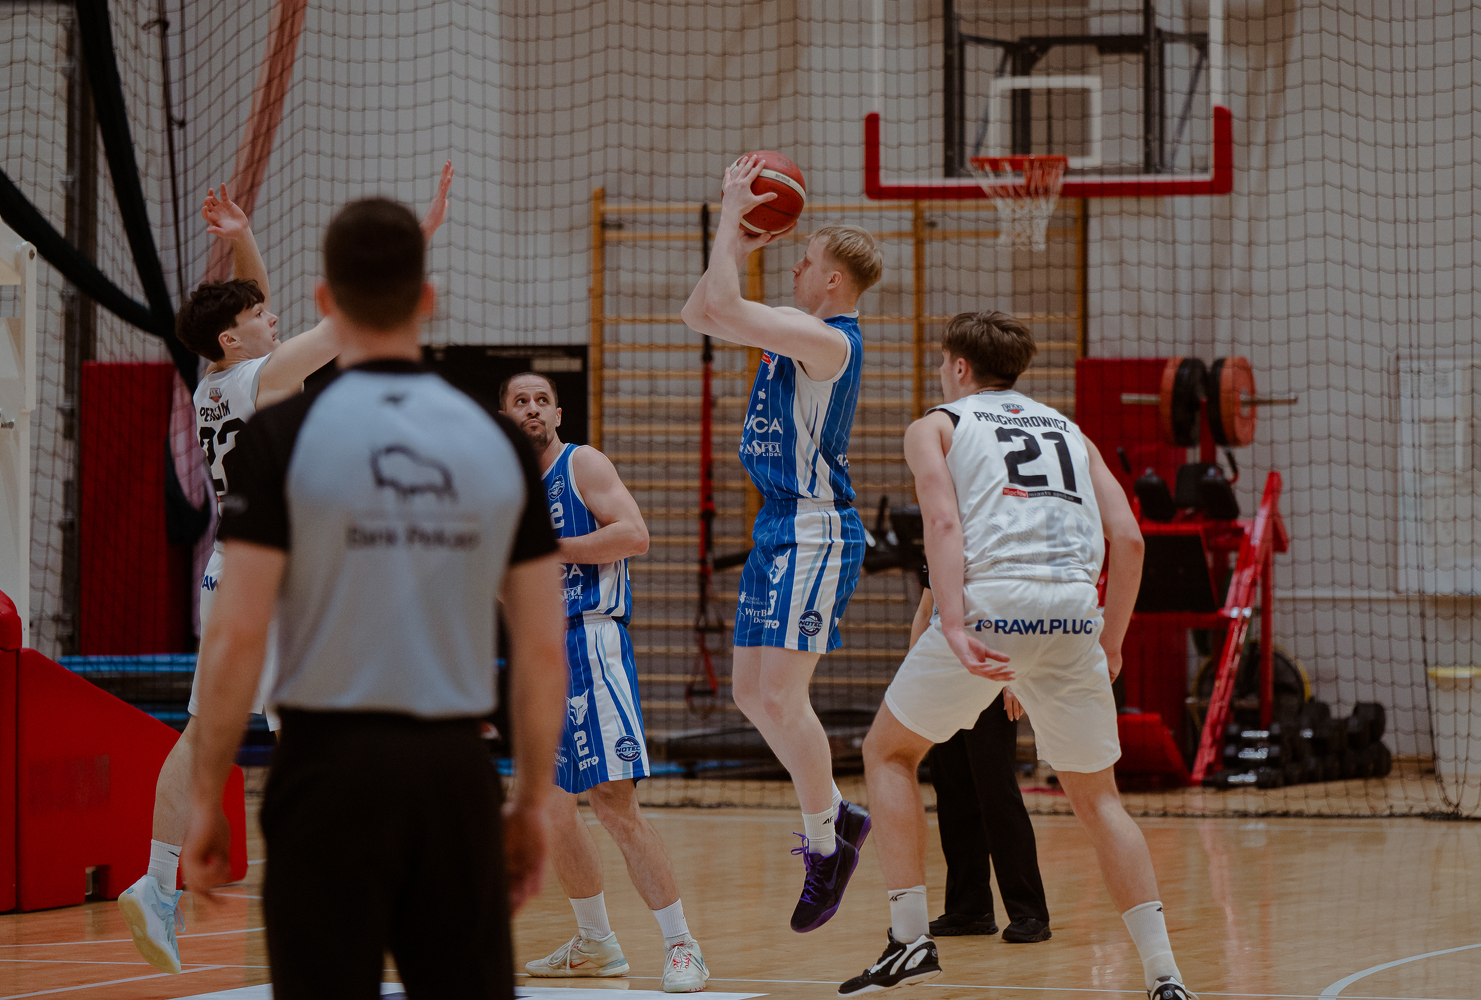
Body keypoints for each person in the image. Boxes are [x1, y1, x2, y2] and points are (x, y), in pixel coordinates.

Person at [180, 197, 566, 997]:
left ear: (325, 300)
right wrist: (531, 800)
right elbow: (538, 645)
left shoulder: (278, 437)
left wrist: (209, 792)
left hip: (324, 773)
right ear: (427, 299)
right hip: (452, 772)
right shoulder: (498, 439)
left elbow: (237, 635)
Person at [117, 165, 452, 974]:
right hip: (280, 578)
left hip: (230, 571)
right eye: (261, 317)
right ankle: (340, 898)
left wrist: (243, 242)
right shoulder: (265, 374)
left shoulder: (213, 381)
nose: (274, 318)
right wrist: (414, 240)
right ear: (236, 338)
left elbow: (251, 311)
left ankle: (158, 883)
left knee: (210, 734)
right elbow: (352, 317)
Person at [842, 311, 1194, 1000]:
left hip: (995, 604)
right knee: (1099, 801)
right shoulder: (1071, 432)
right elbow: (1130, 541)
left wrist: (950, 622)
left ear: (959, 366)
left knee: (887, 753)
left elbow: (943, 523)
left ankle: (908, 941)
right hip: (1073, 614)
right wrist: (1110, 643)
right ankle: (1165, 976)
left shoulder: (935, 425)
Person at [680, 156, 882, 932]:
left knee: (781, 697)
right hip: (777, 525)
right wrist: (733, 245)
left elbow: (725, 303)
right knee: (747, 693)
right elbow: (700, 313)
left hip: (815, 527)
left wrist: (732, 217)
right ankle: (837, 816)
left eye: (804, 260)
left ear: (831, 280)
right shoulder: (794, 336)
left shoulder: (828, 341)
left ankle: (827, 843)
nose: (793, 267)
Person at [501, 373, 709, 993]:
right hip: (538, 651)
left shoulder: (581, 463)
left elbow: (633, 535)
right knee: (550, 805)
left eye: (542, 400)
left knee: (613, 802)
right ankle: (596, 942)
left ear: (558, 412)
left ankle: (682, 946)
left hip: (592, 639)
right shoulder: (503, 487)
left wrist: (547, 547)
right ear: (504, 414)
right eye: (520, 401)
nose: (532, 409)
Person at [911, 587, 1051, 943]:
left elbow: (1018, 607)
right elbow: (927, 609)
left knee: (996, 791)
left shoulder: (998, 550)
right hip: (941, 675)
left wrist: (1015, 677)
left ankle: (1029, 912)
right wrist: (913, 678)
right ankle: (969, 908)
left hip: (989, 673)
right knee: (952, 790)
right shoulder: (935, 551)